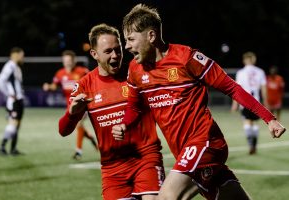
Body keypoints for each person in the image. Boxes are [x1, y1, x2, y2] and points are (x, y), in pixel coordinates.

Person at [112, 4, 286, 200]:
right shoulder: (135, 69)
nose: (126, 46)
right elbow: (133, 106)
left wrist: (269, 118)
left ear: (151, 36)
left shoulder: (186, 58)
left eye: (131, 39)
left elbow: (231, 87)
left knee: (167, 197)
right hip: (185, 152)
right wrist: (124, 124)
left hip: (205, 142)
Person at [58, 24, 165, 200]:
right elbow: (63, 131)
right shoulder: (85, 85)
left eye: (118, 50)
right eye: (108, 51)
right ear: (94, 54)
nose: (115, 56)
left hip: (145, 158)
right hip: (112, 167)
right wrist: (72, 113)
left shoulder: (137, 72)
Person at [43, 50, 97, 160]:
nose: (67, 63)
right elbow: (54, 86)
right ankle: (91, 138)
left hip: (83, 104)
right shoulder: (60, 73)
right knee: (77, 126)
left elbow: (94, 82)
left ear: (74, 61)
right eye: (65, 61)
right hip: (70, 107)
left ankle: (78, 152)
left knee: (79, 124)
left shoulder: (82, 71)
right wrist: (48, 87)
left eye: (69, 61)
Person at [231, 52, 267, 155]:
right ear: (254, 60)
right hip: (256, 101)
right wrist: (266, 102)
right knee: (255, 124)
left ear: (244, 60)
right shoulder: (260, 72)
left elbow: (237, 90)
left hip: (245, 102)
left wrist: (234, 104)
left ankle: (251, 145)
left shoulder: (241, 72)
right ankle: (254, 145)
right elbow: (263, 89)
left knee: (247, 123)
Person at [0, 47, 25, 156]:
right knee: (13, 123)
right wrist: (9, 94)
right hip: (14, 101)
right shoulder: (10, 66)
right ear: (15, 55)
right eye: (22, 55)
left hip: (19, 101)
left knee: (17, 125)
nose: (23, 57)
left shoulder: (16, 67)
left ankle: (13, 149)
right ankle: (2, 147)